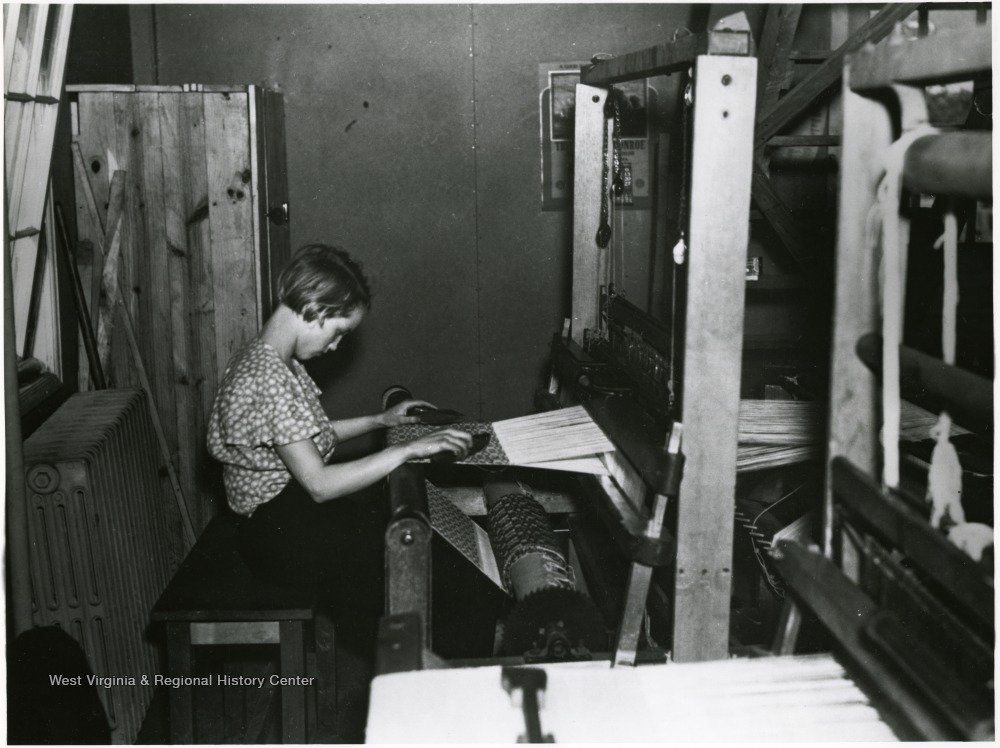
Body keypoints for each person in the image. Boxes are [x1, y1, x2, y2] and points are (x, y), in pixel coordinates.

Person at [207, 243, 472, 609]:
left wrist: (382, 420)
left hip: (283, 518)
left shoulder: (268, 359)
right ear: (315, 309)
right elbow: (319, 483)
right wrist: (408, 449)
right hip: (276, 537)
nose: (335, 346)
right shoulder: (268, 378)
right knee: (422, 576)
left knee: (409, 551)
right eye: (338, 331)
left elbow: (307, 438)